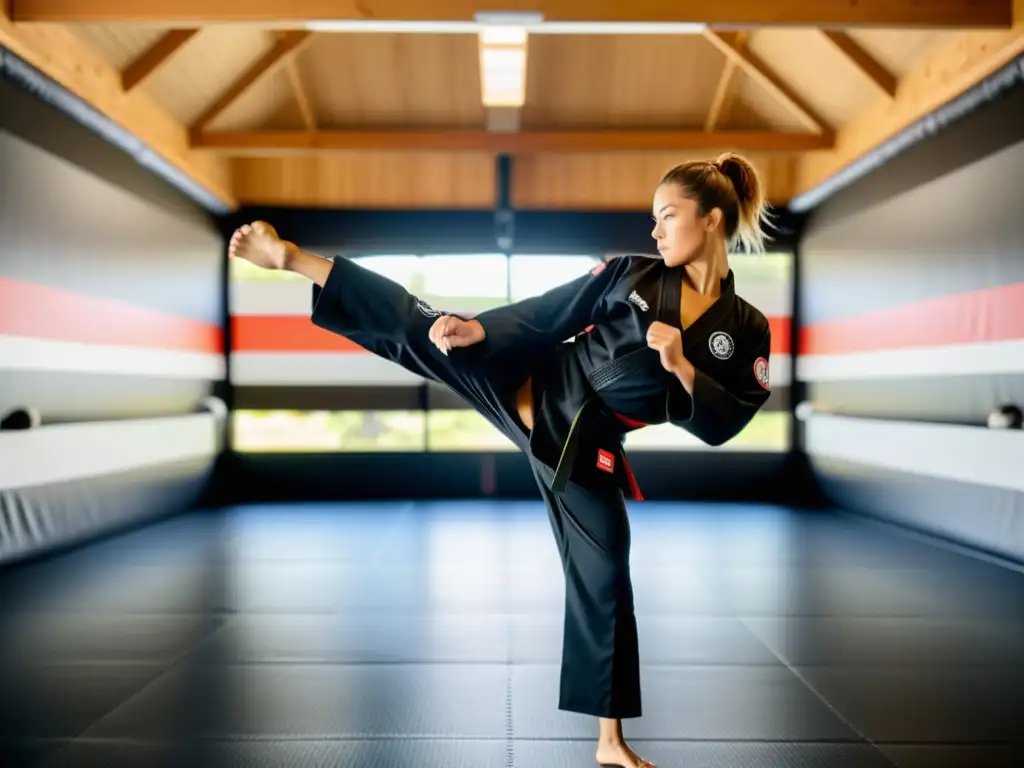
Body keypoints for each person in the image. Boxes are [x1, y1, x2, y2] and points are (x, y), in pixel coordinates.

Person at [228, 151, 774, 768]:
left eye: (667, 216)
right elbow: (552, 311)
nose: (654, 230)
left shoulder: (748, 329)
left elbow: (727, 421)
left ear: (712, 219)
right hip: (526, 382)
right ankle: (291, 258)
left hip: (583, 448)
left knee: (606, 580)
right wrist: (479, 329)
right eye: (653, 218)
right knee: (423, 326)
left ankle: (610, 742)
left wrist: (681, 366)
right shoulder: (633, 274)